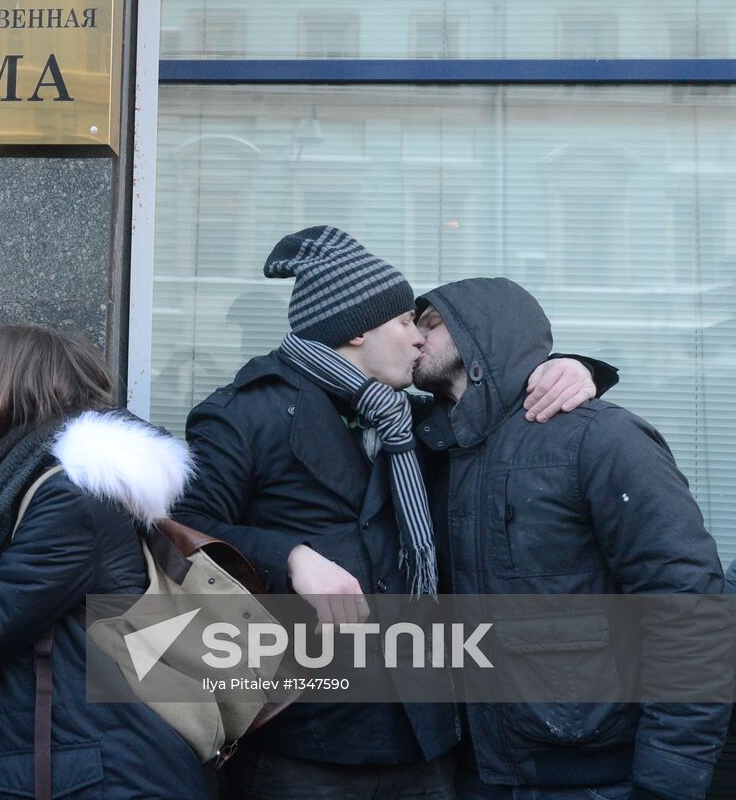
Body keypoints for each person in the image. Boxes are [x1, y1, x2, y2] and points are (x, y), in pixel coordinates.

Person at [173, 226, 611, 799]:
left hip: (421, 728)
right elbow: (180, 539)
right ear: (356, 328)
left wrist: (578, 370)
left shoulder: (404, 416)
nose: (419, 341)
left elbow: (494, 401)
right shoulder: (242, 414)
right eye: (405, 322)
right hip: (301, 731)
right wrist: (290, 557)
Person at [412, 278, 730, 800]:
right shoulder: (428, 446)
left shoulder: (600, 438)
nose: (417, 338)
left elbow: (688, 609)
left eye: (431, 323)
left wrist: (669, 778)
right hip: (471, 773)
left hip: (596, 779)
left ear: (482, 335)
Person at [0, 324, 207, 799]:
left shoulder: (71, 504)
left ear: (4, 392)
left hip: (111, 779)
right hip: (81, 769)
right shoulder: (28, 483)